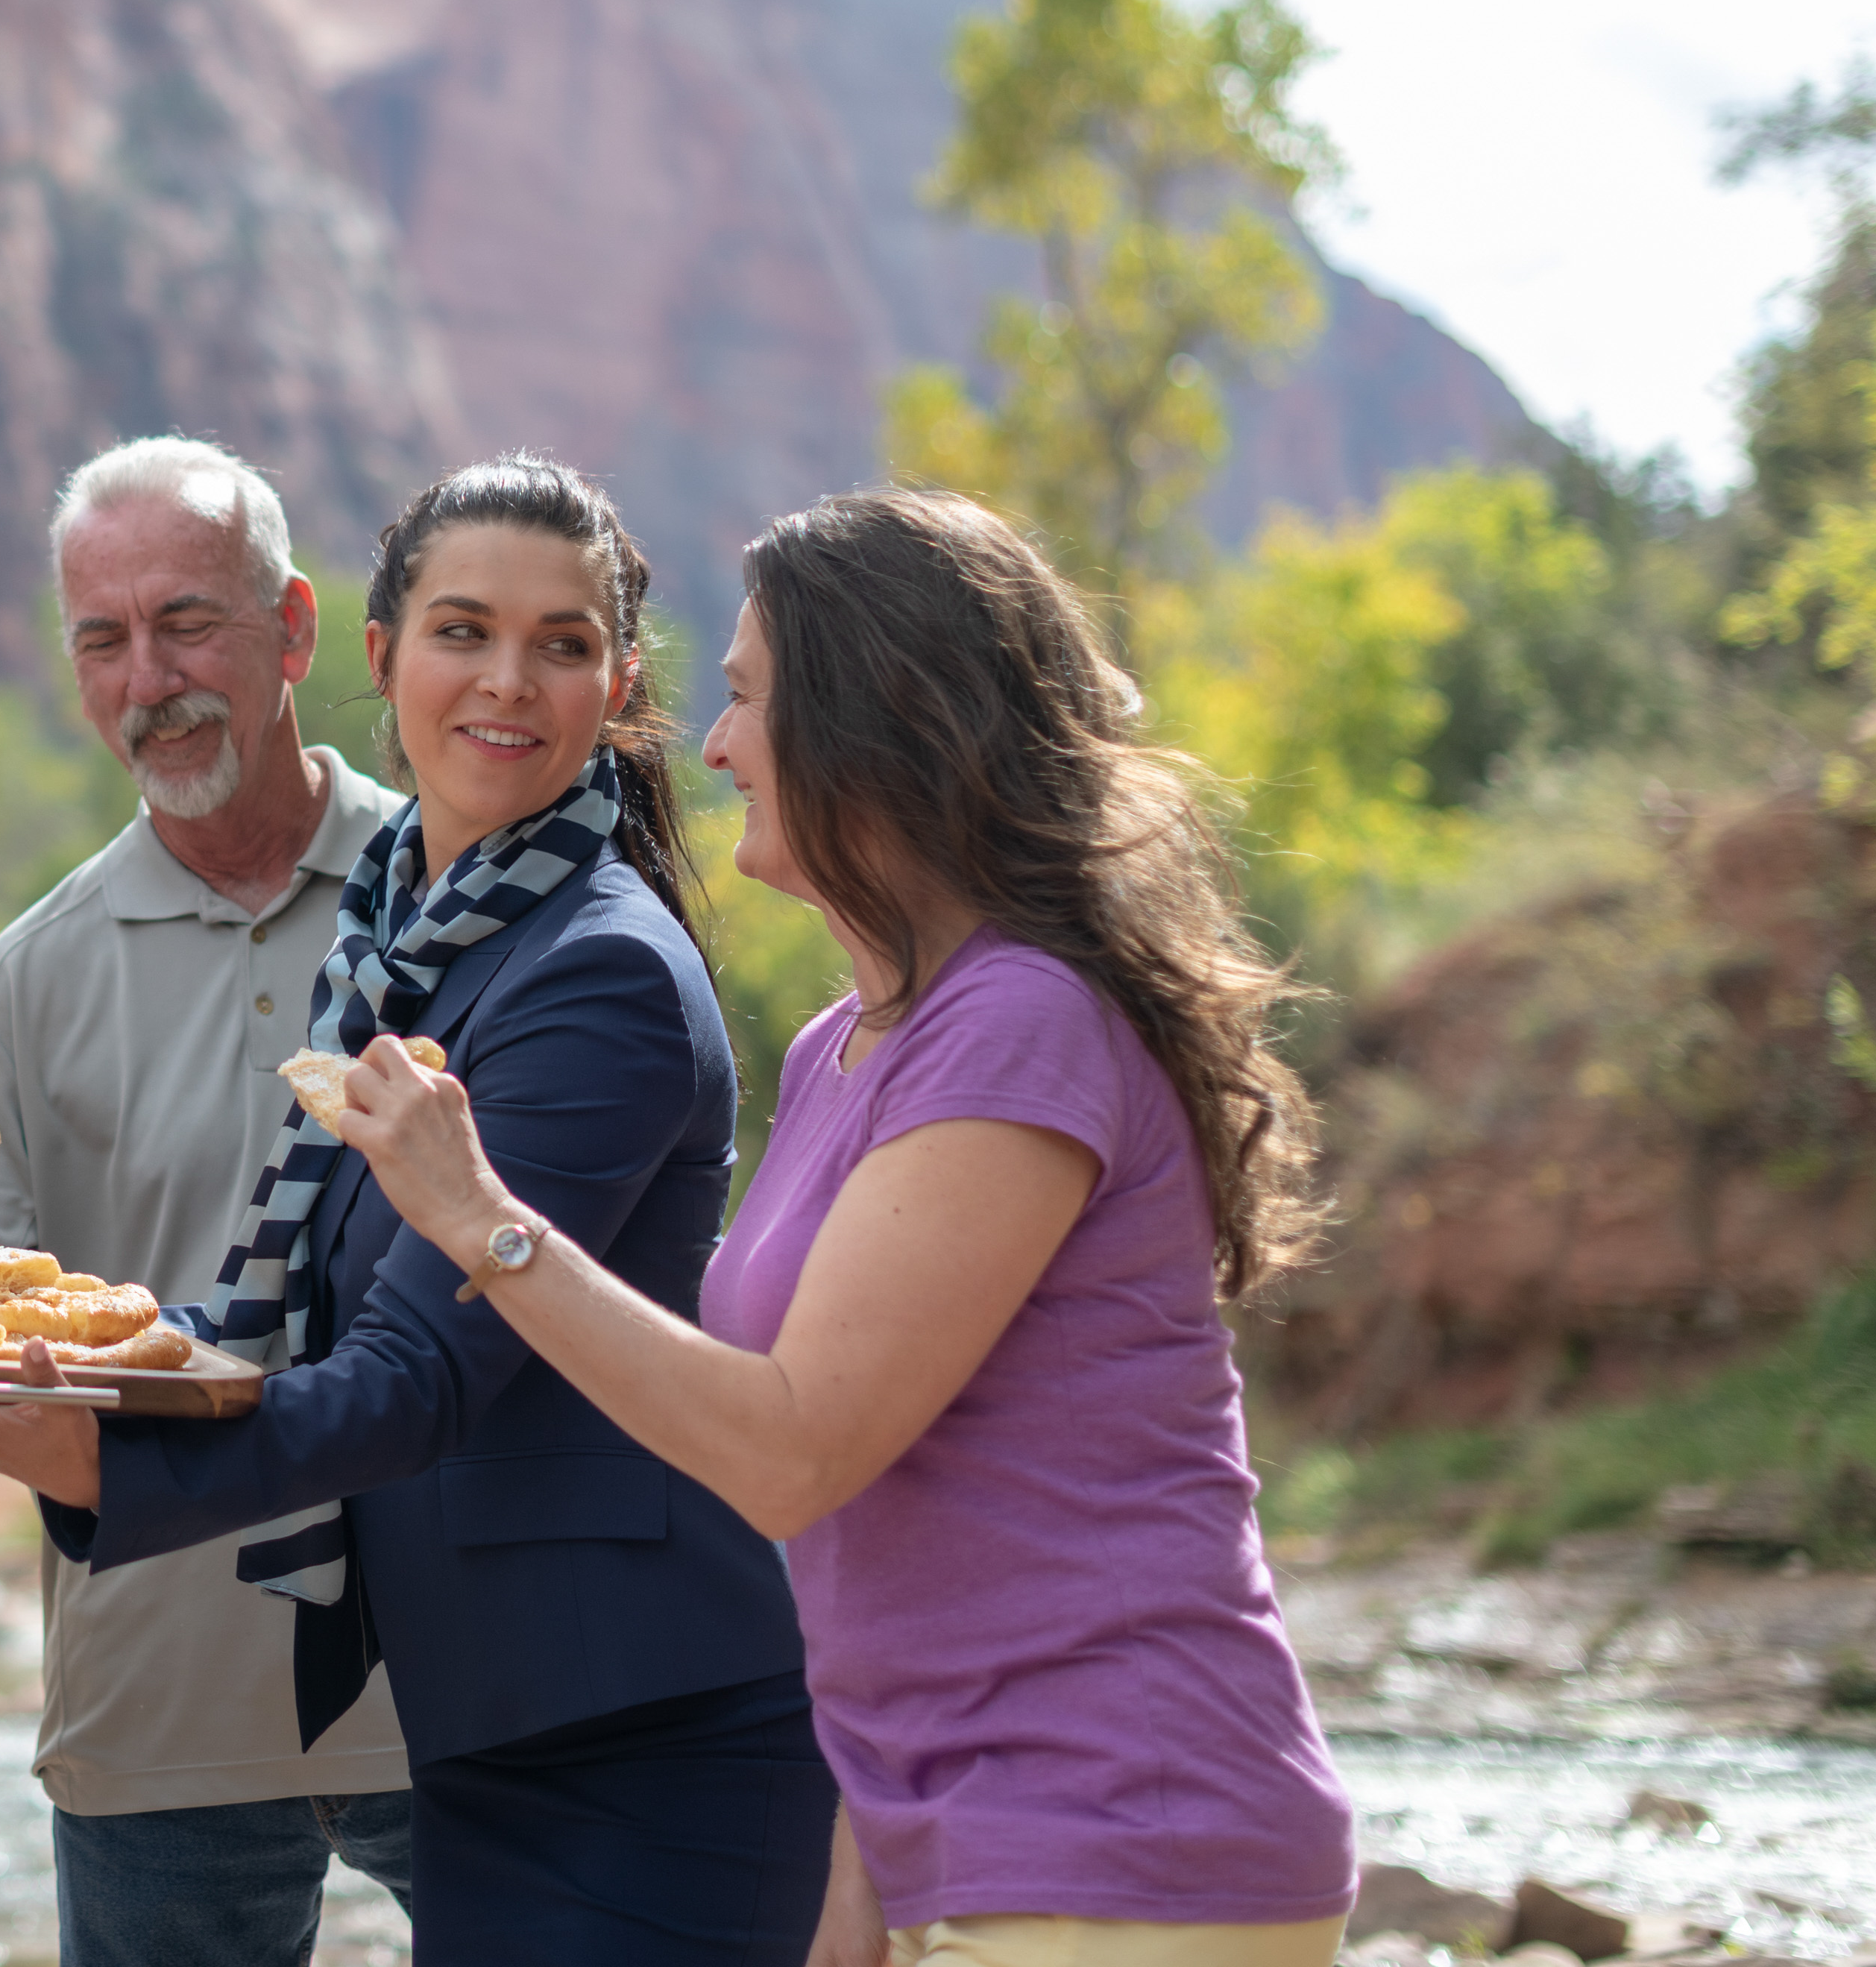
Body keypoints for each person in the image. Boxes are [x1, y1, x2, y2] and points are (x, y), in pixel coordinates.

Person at [324, 488, 1356, 1967]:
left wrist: (481, 1218)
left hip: (1130, 1839)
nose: (717, 744)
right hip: (963, 1846)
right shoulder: (846, 1046)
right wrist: (856, 1897)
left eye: (745, 697)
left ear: (873, 725)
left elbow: (793, 1449)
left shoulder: (1021, 1022)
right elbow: (882, 1519)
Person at [0, 454, 832, 1967]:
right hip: (417, 1706)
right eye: (463, 632)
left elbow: (417, 1370)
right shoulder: (407, 930)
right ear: (387, 652)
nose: (506, 682)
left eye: (561, 643)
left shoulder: (587, 963)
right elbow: (47, 1316)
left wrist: (108, 1460)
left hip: (597, 1709)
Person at [0, 437, 416, 1965]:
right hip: (156, 1700)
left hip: (465, 1683)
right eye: (104, 636)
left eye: (188, 620)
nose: (150, 677)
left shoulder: (469, 894)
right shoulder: (19, 985)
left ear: (295, 630)